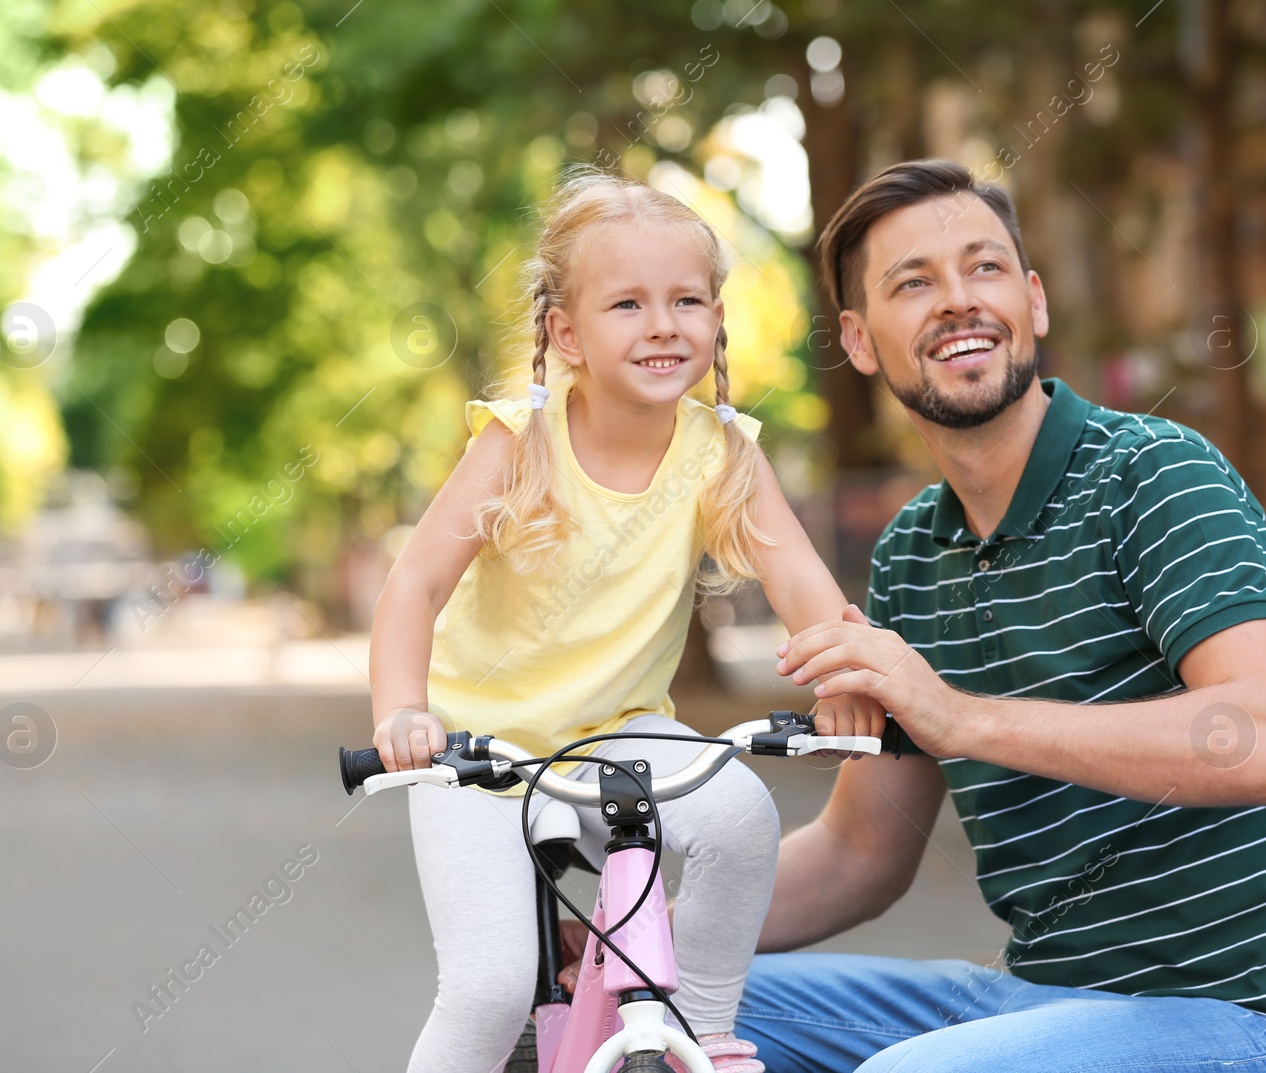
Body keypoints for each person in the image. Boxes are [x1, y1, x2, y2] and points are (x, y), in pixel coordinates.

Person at [733, 160, 1266, 1071]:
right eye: (913, 282)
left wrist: (958, 717)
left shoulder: (1154, 474)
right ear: (858, 340)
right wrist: (641, 943)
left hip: (1252, 1020)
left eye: (985, 268)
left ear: (1033, 301)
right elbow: (859, 849)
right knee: (673, 1001)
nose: (959, 301)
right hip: (1041, 999)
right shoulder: (912, 555)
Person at [368, 171, 884, 1073]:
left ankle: (703, 1031)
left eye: (687, 299)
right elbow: (412, 586)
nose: (662, 324)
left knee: (739, 816)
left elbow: (802, 579)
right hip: (478, 751)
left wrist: (846, 683)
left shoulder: (719, 450)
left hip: (618, 732)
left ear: (718, 319)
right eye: (627, 303)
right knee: (490, 986)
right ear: (566, 332)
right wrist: (403, 714)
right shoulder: (519, 440)